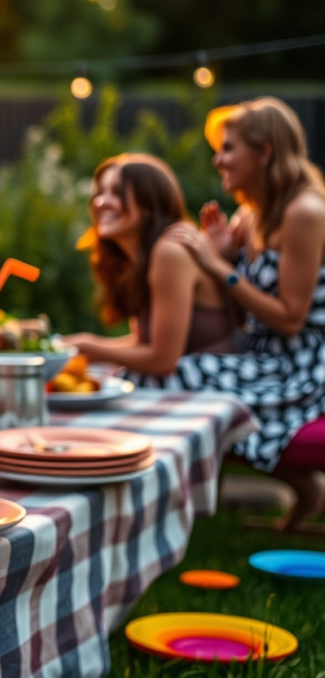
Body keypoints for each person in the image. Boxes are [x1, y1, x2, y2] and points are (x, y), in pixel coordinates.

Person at [163, 97, 325, 531]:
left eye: (229, 148)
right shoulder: (251, 217)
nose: (218, 160)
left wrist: (218, 268)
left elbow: (291, 318)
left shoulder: (305, 212)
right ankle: (304, 491)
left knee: (174, 377)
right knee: (171, 376)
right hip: (261, 355)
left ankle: (180, 515)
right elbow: (243, 314)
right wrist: (224, 259)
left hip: (304, 366)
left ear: (265, 151)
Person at [62, 154, 237, 376]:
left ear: (148, 202)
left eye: (116, 192)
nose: (101, 202)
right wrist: (66, 346)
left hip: (212, 381)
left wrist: (88, 347)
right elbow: (143, 343)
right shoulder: (139, 257)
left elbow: (162, 360)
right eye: (100, 193)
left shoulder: (169, 252)